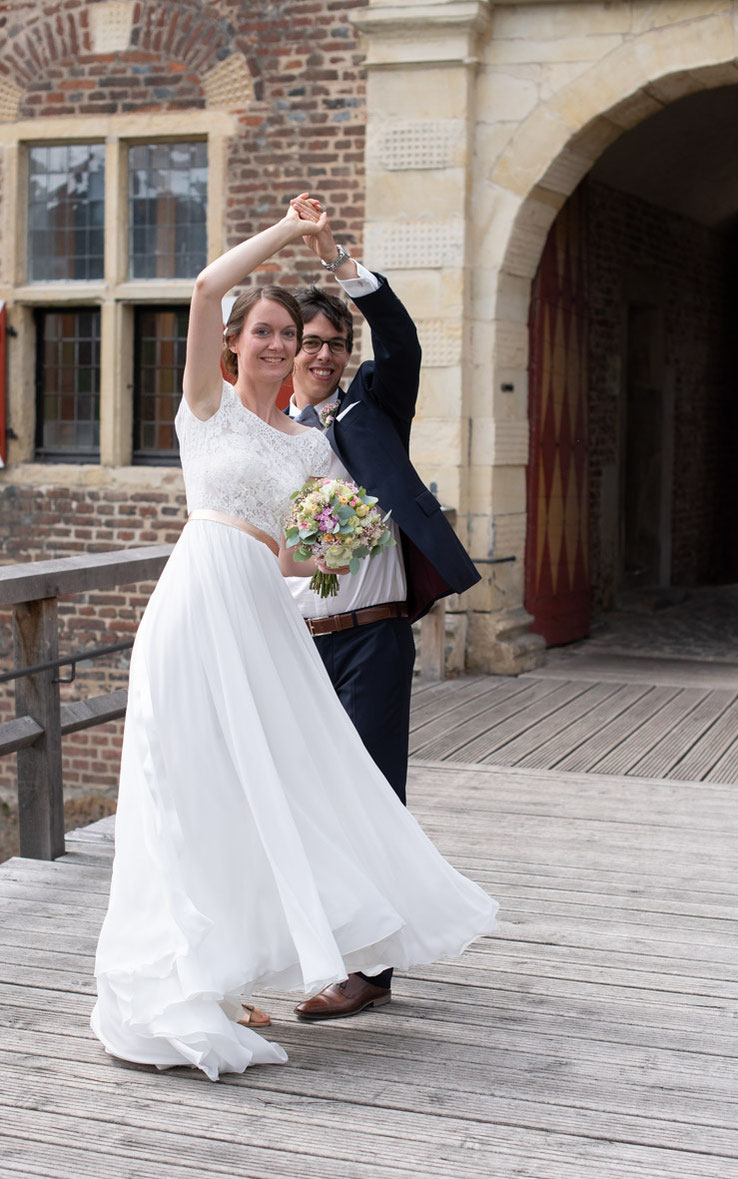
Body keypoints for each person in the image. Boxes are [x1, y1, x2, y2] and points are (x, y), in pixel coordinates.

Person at [90, 195, 498, 1083]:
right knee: (181, 783)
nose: (281, 346)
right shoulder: (205, 410)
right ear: (236, 342)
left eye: (294, 334)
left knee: (273, 788)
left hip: (267, 615)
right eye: (266, 331)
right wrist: (287, 231)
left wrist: (336, 542)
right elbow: (204, 285)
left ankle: (249, 966)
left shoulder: (313, 445)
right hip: (195, 603)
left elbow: (292, 558)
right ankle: (184, 978)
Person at [285, 204, 482, 1020]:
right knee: (297, 796)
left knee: (370, 796)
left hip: (371, 642)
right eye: (311, 343)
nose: (325, 356)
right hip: (290, 644)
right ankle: (303, 943)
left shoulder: (371, 407)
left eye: (336, 344)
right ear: (282, 349)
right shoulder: (263, 430)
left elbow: (402, 341)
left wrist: (343, 268)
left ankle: (371, 971)